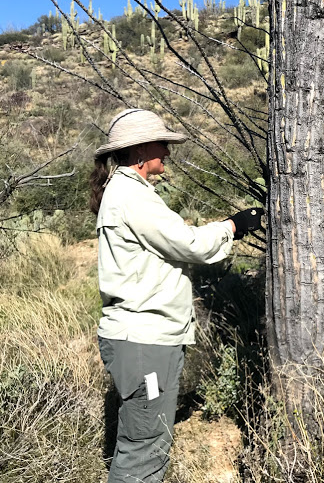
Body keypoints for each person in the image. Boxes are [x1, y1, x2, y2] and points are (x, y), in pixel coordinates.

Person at [90, 108, 263, 482]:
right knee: (145, 448)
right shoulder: (132, 197)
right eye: (162, 144)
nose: (167, 151)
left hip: (142, 340)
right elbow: (189, 244)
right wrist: (233, 226)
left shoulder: (125, 193)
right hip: (145, 342)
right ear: (139, 151)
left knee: (145, 440)